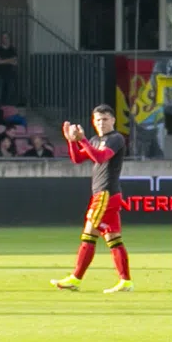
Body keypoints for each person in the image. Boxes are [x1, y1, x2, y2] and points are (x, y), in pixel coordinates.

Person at [50, 104, 133, 293]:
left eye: (105, 119)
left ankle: (76, 278)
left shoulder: (116, 138)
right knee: (114, 239)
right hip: (105, 194)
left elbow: (101, 157)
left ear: (113, 120)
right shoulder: (96, 139)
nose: (101, 123)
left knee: (88, 235)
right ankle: (125, 281)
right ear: (93, 122)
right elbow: (78, 159)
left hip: (106, 193)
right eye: (97, 120)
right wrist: (71, 141)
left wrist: (83, 140)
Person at [0, 33, 19, 105]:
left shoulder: (12, 49)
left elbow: (15, 62)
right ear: (1, 39)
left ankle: (8, 111)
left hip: (10, 75)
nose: (5, 39)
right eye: (3, 37)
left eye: (6, 37)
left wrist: (3, 60)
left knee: (9, 95)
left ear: (9, 39)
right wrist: (10, 60)